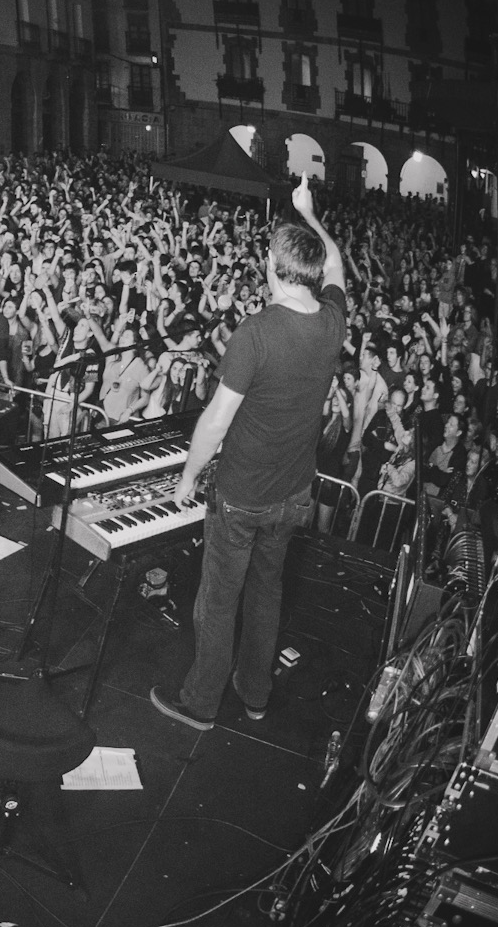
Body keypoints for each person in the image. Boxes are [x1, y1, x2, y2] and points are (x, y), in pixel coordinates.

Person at [150, 180, 351, 730]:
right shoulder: (332, 322)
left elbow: (217, 419)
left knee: (218, 601)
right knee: (267, 595)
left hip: (241, 495)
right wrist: (311, 213)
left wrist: (188, 476)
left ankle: (200, 703)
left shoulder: (256, 333)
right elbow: (336, 262)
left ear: (277, 271)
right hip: (294, 494)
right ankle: (254, 692)